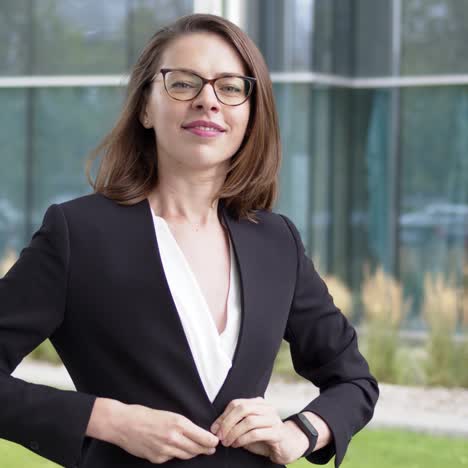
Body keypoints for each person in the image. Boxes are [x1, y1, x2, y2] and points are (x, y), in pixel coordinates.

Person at [0, 13, 378, 468]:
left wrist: (301, 432)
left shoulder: (276, 241)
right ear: (145, 107)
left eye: (231, 87)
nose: (208, 101)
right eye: (183, 83)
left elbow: (353, 380)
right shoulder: (77, 234)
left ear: (252, 112)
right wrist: (106, 419)